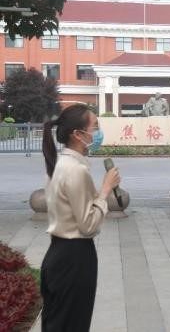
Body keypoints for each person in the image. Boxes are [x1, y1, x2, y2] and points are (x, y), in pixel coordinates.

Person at [40, 104, 120, 331]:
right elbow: (88, 225)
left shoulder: (60, 164)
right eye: (95, 127)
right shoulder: (76, 169)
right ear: (78, 134)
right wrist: (105, 190)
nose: (98, 133)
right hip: (74, 258)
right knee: (72, 324)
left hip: (58, 254)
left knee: (58, 323)